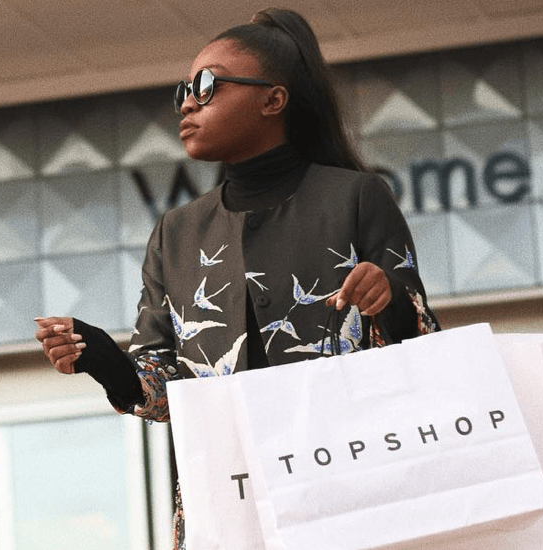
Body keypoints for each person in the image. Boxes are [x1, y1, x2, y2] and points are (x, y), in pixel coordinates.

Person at [35, 7, 439, 548]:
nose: (188, 101)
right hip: (227, 509)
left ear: (273, 100)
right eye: (184, 88)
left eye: (207, 85)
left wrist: (383, 300)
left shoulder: (357, 197)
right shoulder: (175, 233)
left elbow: (425, 348)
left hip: (351, 491)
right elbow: (164, 388)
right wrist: (105, 361)